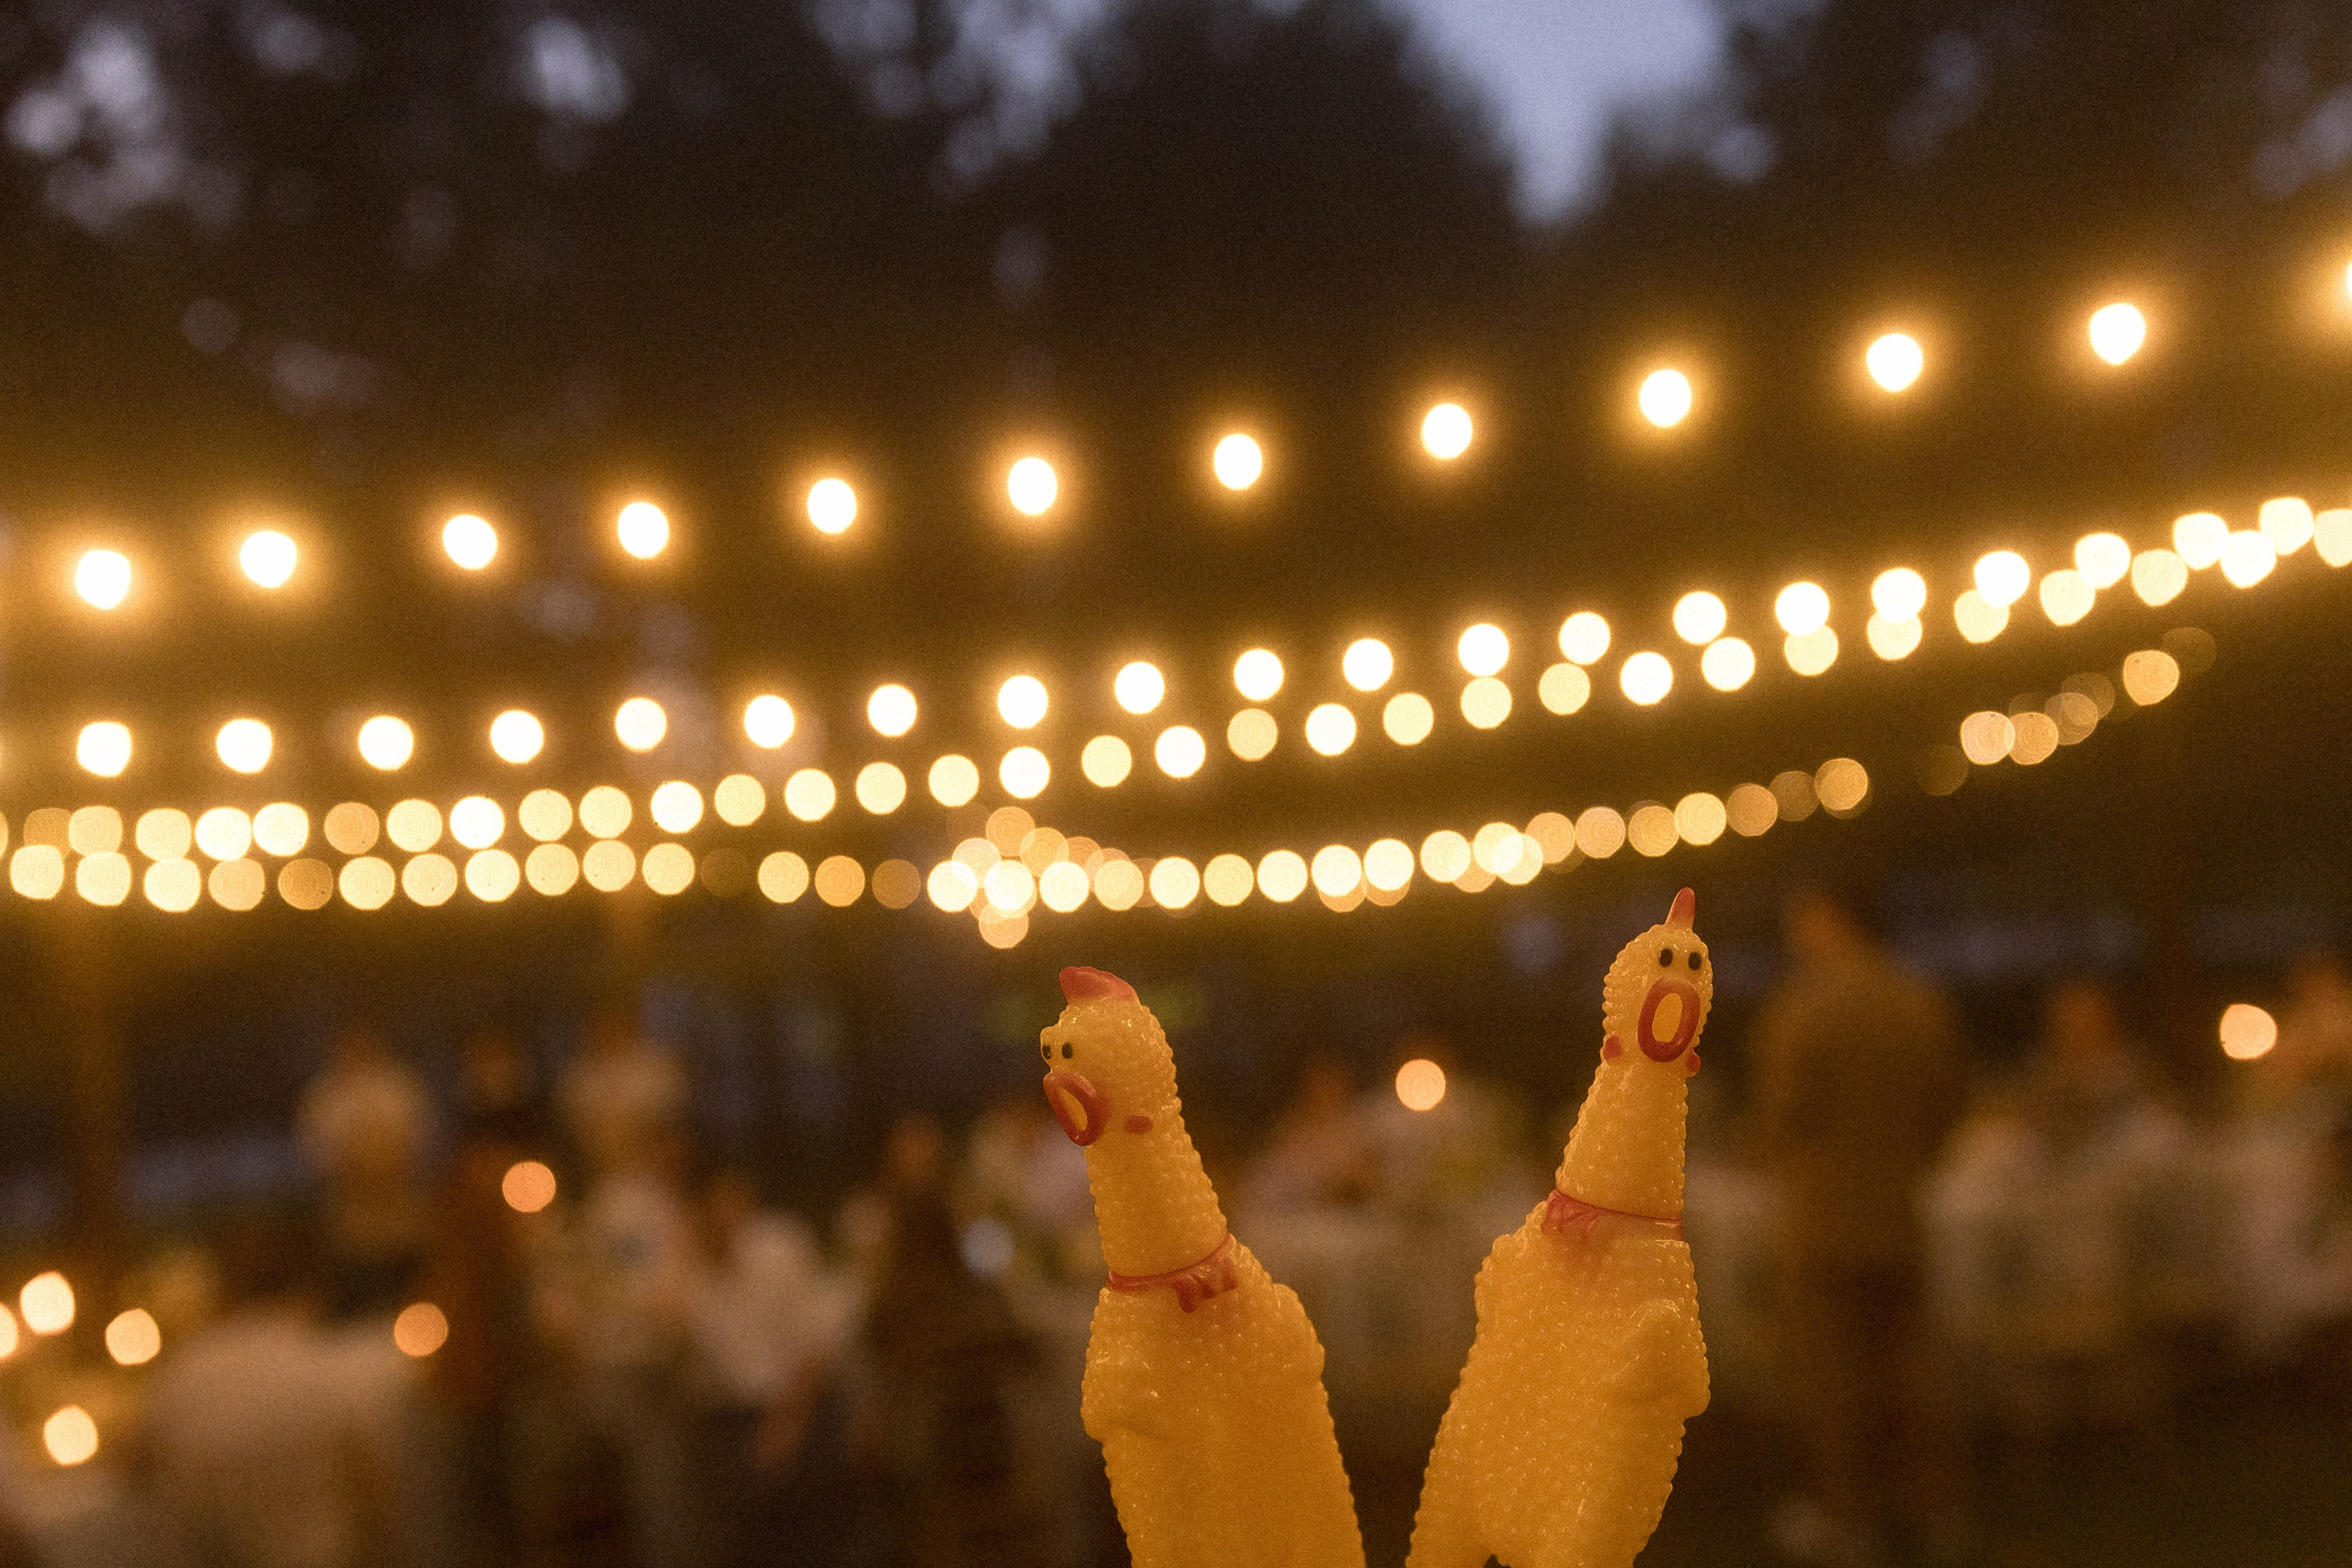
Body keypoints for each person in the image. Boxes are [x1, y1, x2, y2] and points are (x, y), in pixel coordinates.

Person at [1751, 884, 1968, 1568]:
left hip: (1824, 1215)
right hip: (1901, 1206)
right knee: (1910, 1367)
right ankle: (1929, 1505)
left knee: (1833, 1374)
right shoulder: (1919, 1002)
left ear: (1828, 922)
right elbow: (1947, 1103)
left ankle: (1848, 1517)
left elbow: (1781, 1114)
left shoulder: (1804, 1010)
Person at [144, 1219, 401, 1568]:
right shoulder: (327, 1366)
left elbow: (146, 1478)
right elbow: (377, 1497)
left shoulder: (180, 1376)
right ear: (311, 1292)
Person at [684, 1165, 856, 1568]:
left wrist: (789, 1423)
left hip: (800, 1408)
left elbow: (816, 1341)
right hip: (731, 1420)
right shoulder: (695, 1269)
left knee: (809, 1539)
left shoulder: (778, 1247)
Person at [297, 1026, 433, 1318]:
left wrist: (388, 1166)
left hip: (400, 1211)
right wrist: (357, 1170)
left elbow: (420, 1140)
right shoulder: (324, 1097)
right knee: (361, 1299)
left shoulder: (399, 1088)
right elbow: (318, 1155)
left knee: (409, 1295)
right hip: (353, 1218)